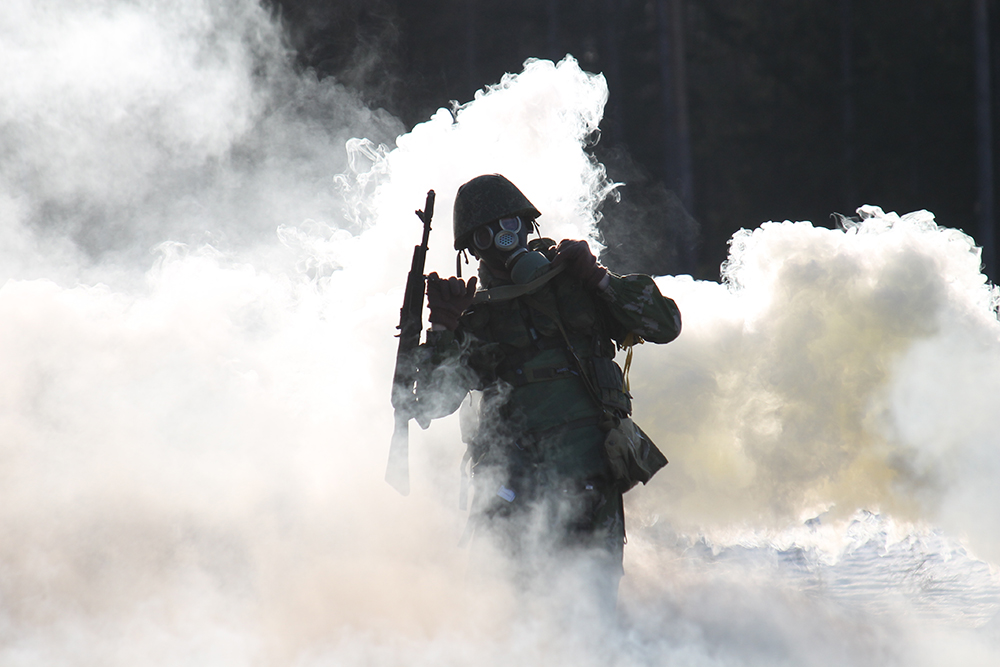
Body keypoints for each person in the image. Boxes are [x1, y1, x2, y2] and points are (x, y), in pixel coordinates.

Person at [415, 173, 681, 611]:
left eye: (511, 226)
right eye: (487, 235)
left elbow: (665, 325)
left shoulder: (575, 283)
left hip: (590, 478)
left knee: (594, 603)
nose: (504, 239)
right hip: (517, 485)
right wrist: (443, 327)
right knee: (521, 609)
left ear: (527, 225)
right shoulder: (476, 316)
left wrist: (600, 279)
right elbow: (429, 403)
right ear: (472, 249)